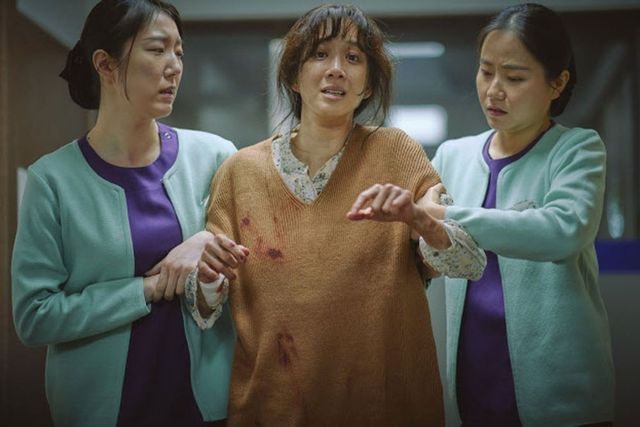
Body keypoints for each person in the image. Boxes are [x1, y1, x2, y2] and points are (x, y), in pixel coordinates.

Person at [187, 4, 486, 426]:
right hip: (273, 406)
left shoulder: (397, 152)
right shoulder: (240, 172)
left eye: (353, 57)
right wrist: (206, 278)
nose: (336, 70)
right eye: (320, 54)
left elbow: (470, 263)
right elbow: (204, 308)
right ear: (294, 76)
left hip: (385, 405)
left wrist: (420, 221)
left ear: (368, 85)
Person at [11, 1, 236, 425]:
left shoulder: (216, 157)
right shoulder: (52, 180)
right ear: (105, 65)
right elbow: (34, 316)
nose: (174, 66)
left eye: (179, 52)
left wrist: (207, 241)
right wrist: (145, 290)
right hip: (100, 412)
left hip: (205, 407)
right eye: (157, 49)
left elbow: (251, 263)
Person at [424, 3, 615, 426]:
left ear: (557, 83)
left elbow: (563, 230)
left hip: (560, 392)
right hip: (474, 377)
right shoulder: (452, 156)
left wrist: (448, 217)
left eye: (514, 77)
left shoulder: (576, 149)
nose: (494, 90)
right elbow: (422, 238)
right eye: (485, 71)